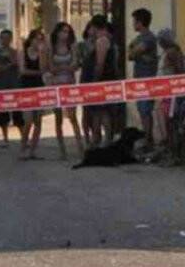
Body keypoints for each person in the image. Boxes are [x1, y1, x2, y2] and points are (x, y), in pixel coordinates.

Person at [82, 14, 119, 146]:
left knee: (103, 112)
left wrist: (95, 80)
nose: (89, 30)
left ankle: (107, 139)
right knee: (97, 112)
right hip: (103, 79)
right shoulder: (103, 39)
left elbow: (100, 63)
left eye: (91, 27)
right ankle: (96, 138)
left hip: (101, 80)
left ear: (94, 26)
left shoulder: (102, 41)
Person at [48, 22, 83, 157]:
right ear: (57, 33)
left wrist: (62, 68)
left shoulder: (72, 46)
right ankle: (62, 150)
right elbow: (50, 67)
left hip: (69, 84)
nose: (65, 34)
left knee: (73, 117)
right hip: (56, 85)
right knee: (58, 118)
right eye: (63, 31)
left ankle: (80, 146)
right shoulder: (52, 48)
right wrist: (65, 67)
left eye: (67, 32)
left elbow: (75, 64)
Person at [0, 29, 27, 147]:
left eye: (7, 38)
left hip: (14, 86)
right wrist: (9, 64)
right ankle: (5, 138)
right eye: (3, 38)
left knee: (18, 114)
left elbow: (20, 65)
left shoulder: (15, 52)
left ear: (10, 39)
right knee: (2, 114)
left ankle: (24, 138)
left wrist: (11, 60)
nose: (5, 40)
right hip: (0, 86)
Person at [128, 8, 158, 146]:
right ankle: (147, 138)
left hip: (147, 79)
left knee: (146, 110)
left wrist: (135, 51)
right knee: (142, 110)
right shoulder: (140, 38)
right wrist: (134, 51)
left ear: (140, 22)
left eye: (134, 21)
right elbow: (130, 54)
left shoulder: (149, 38)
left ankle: (148, 140)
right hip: (139, 78)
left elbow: (134, 53)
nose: (133, 24)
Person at [155, 27, 185, 165]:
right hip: (166, 92)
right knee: (168, 122)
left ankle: (174, 154)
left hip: (172, 93)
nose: (159, 42)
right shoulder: (168, 52)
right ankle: (172, 152)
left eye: (161, 39)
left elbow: (179, 71)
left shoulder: (173, 53)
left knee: (171, 123)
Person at [18, 28, 48, 160]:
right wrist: (37, 73)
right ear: (31, 39)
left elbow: (43, 68)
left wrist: (41, 53)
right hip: (26, 87)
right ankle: (23, 147)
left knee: (38, 121)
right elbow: (23, 70)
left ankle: (33, 150)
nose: (38, 42)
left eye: (41, 39)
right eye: (37, 39)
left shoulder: (41, 53)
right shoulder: (23, 52)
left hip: (38, 86)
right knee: (28, 120)